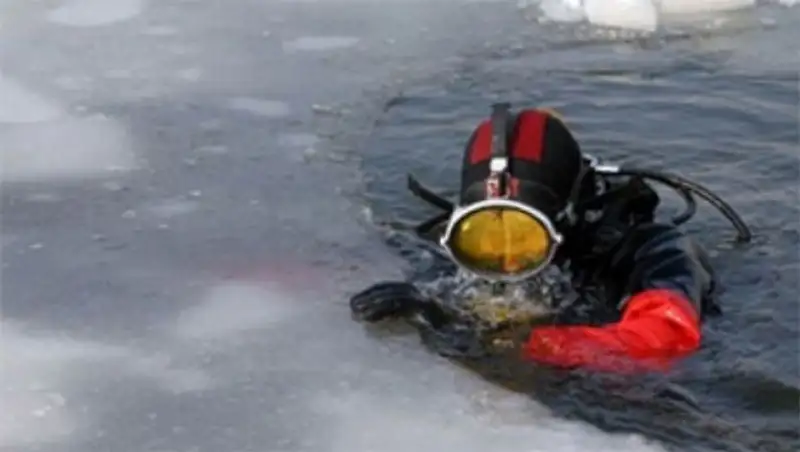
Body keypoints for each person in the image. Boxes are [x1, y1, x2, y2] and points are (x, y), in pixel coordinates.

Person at [349, 103, 752, 374]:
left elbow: (664, 336)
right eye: (485, 241)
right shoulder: (452, 245)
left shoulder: (657, 252)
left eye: (525, 238)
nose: (506, 264)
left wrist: (502, 342)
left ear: (564, 220)